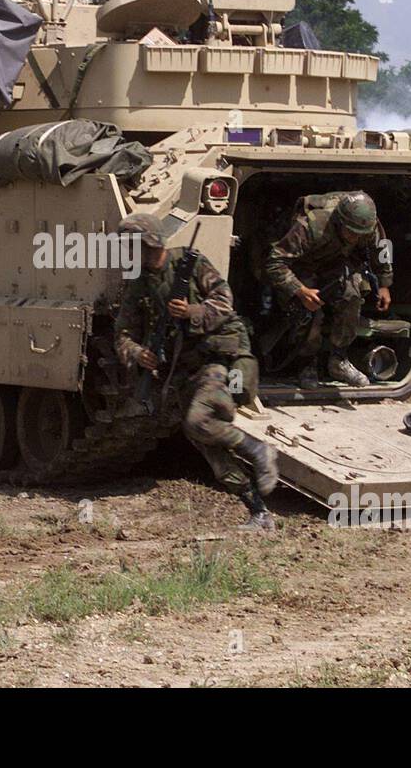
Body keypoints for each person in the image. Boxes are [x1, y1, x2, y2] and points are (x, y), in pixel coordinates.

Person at [113, 212, 280, 531]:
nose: (130, 251)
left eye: (134, 244)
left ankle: (258, 450)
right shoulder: (138, 284)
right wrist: (139, 354)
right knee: (207, 445)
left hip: (212, 361)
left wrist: (192, 311)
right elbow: (122, 333)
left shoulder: (188, 264)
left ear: (151, 242)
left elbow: (224, 302)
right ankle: (258, 512)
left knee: (198, 420)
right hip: (179, 370)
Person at [263, 190, 394, 389]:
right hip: (300, 264)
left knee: (352, 295)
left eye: (359, 234)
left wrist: (384, 284)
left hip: (335, 262)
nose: (354, 238)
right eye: (350, 232)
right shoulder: (312, 224)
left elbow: (382, 247)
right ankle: (307, 363)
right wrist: (300, 290)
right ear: (339, 221)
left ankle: (339, 359)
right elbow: (274, 262)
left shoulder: (367, 225)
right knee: (308, 311)